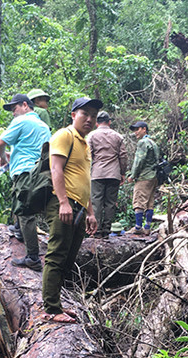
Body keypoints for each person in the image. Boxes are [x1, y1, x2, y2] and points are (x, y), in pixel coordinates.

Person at [42, 97, 101, 318]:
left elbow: (84, 180)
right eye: (85, 113)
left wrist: (90, 212)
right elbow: (56, 169)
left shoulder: (84, 143)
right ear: (73, 115)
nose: (89, 119)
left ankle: (56, 302)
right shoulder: (64, 135)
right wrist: (64, 202)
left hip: (79, 206)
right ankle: (51, 309)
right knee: (57, 254)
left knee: (68, 257)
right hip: (63, 203)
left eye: (93, 116)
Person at [0, 93, 51, 271]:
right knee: (24, 205)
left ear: (25, 105)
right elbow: (33, 150)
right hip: (40, 173)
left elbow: (0, 143)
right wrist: (13, 155)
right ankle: (18, 229)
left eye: (14, 108)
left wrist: (3, 158)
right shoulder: (44, 126)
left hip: (24, 172)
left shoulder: (22, 121)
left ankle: (33, 257)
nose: (13, 113)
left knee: (26, 213)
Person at [87, 110, 127, 238]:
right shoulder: (118, 136)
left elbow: (87, 155)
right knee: (110, 203)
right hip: (113, 173)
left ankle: (96, 231)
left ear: (96, 123)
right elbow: (123, 156)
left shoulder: (92, 136)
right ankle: (106, 230)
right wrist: (122, 173)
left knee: (96, 202)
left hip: (97, 173)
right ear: (109, 122)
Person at [127, 120, 160, 235]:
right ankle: (147, 227)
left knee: (139, 201)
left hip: (144, 176)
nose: (136, 132)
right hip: (154, 176)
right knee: (149, 202)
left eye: (137, 129)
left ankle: (138, 227)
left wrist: (133, 175)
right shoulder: (153, 143)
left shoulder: (143, 142)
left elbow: (139, 161)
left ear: (144, 129)